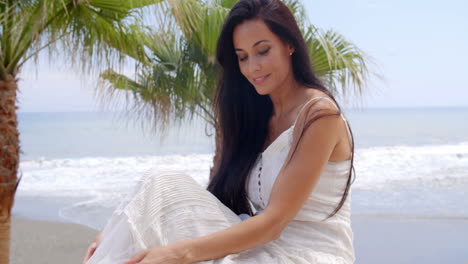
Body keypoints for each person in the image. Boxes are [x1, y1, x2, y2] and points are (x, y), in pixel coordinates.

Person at [83, 0, 356, 263]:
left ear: (289, 45)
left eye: (263, 51)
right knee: (160, 182)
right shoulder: (257, 116)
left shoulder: (320, 115)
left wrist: (176, 254)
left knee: (167, 227)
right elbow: (217, 199)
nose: (253, 67)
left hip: (306, 256)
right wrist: (117, 229)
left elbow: (274, 223)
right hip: (260, 246)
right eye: (243, 57)